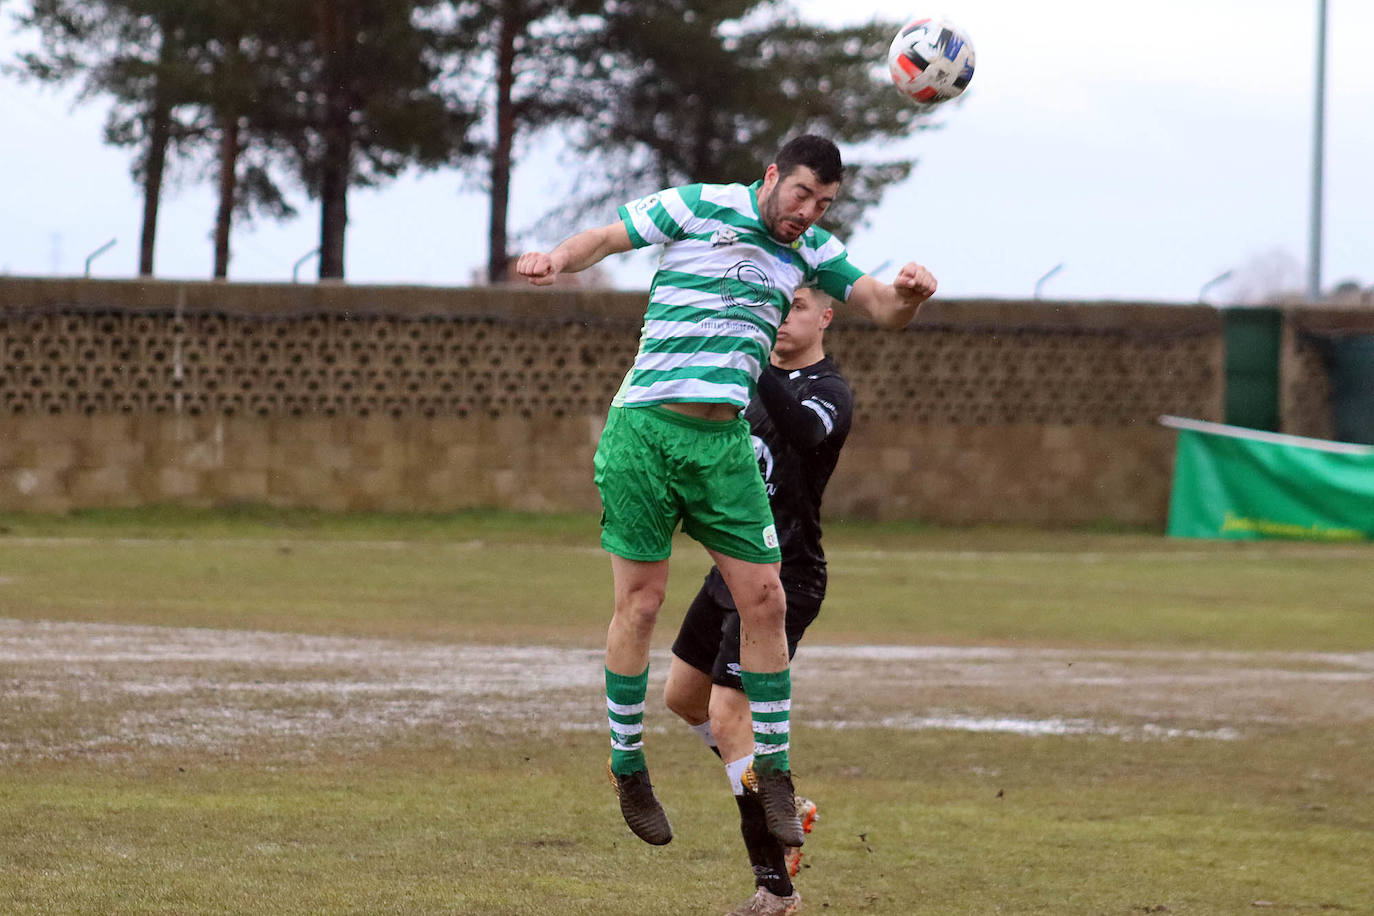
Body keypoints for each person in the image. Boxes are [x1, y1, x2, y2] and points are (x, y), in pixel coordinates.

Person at [515, 135, 936, 851]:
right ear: (771, 177)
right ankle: (627, 768)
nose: (809, 212)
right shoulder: (699, 205)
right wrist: (557, 257)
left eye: (825, 203)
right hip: (645, 431)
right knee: (640, 603)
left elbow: (878, 305)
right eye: (802, 194)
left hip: (723, 445)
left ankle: (773, 776)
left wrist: (909, 296)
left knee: (765, 597)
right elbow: (606, 237)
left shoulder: (812, 253)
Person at [663, 286, 849, 916]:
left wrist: (754, 362)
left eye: (795, 306)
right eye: (776, 306)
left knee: (728, 713)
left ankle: (776, 887)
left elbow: (798, 431)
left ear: (824, 317)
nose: (781, 316)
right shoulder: (748, 386)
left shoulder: (828, 393)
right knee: (682, 698)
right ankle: (782, 797)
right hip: (731, 567)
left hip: (785, 578)